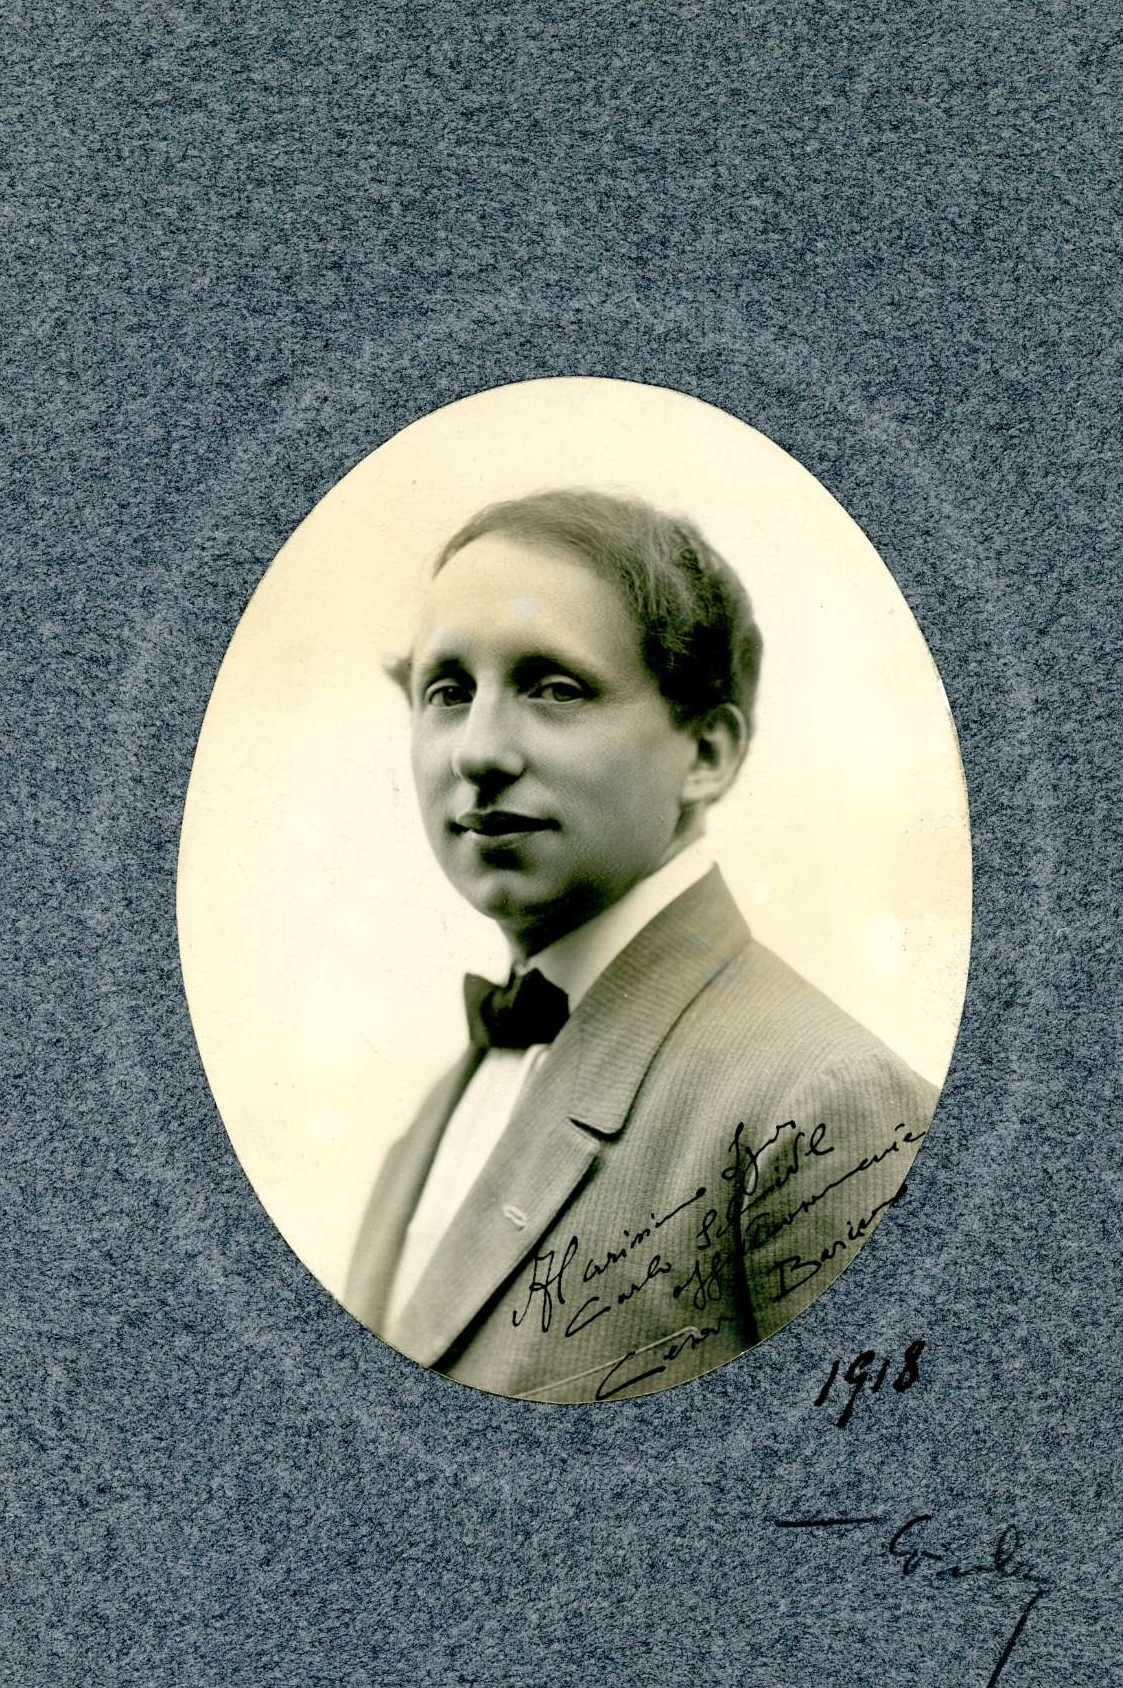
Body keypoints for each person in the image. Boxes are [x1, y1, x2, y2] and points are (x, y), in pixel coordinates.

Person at [342, 488, 937, 1402]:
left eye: (555, 688)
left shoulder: (823, 1104)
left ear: (706, 753)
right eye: (448, 692)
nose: (477, 752)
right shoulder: (437, 1109)